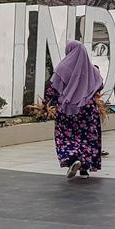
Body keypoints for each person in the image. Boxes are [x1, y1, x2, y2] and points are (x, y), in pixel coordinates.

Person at [45, 40, 105, 179]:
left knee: (66, 136)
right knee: (88, 138)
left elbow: (52, 90)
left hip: (67, 109)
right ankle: (84, 170)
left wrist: (47, 103)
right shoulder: (93, 71)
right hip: (88, 109)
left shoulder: (62, 68)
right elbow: (100, 86)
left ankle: (72, 159)